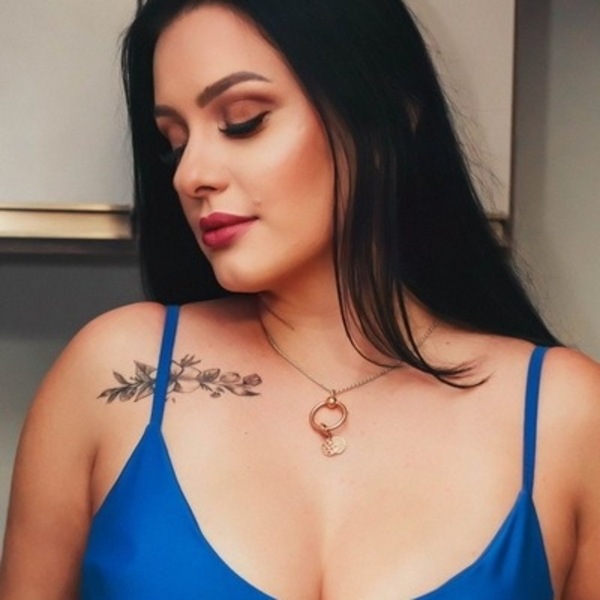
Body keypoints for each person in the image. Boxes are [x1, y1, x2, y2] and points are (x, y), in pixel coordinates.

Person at [1, 0, 599, 598]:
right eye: (174, 143)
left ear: (389, 114)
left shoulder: (565, 415)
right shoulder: (117, 373)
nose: (189, 175)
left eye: (243, 122)